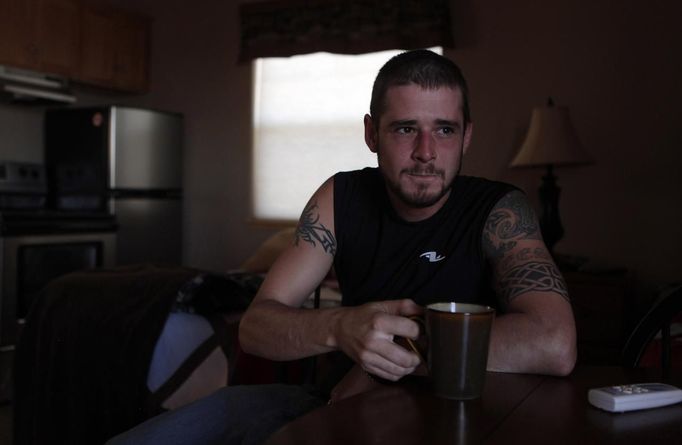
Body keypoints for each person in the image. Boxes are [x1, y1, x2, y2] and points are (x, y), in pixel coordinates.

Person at [107, 49, 576, 445]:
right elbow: (256, 326)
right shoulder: (341, 197)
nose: (427, 152)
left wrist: (387, 357)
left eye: (445, 130)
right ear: (372, 133)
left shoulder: (499, 210)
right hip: (344, 406)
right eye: (406, 129)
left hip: (463, 414)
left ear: (466, 136)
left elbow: (555, 343)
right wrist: (341, 327)